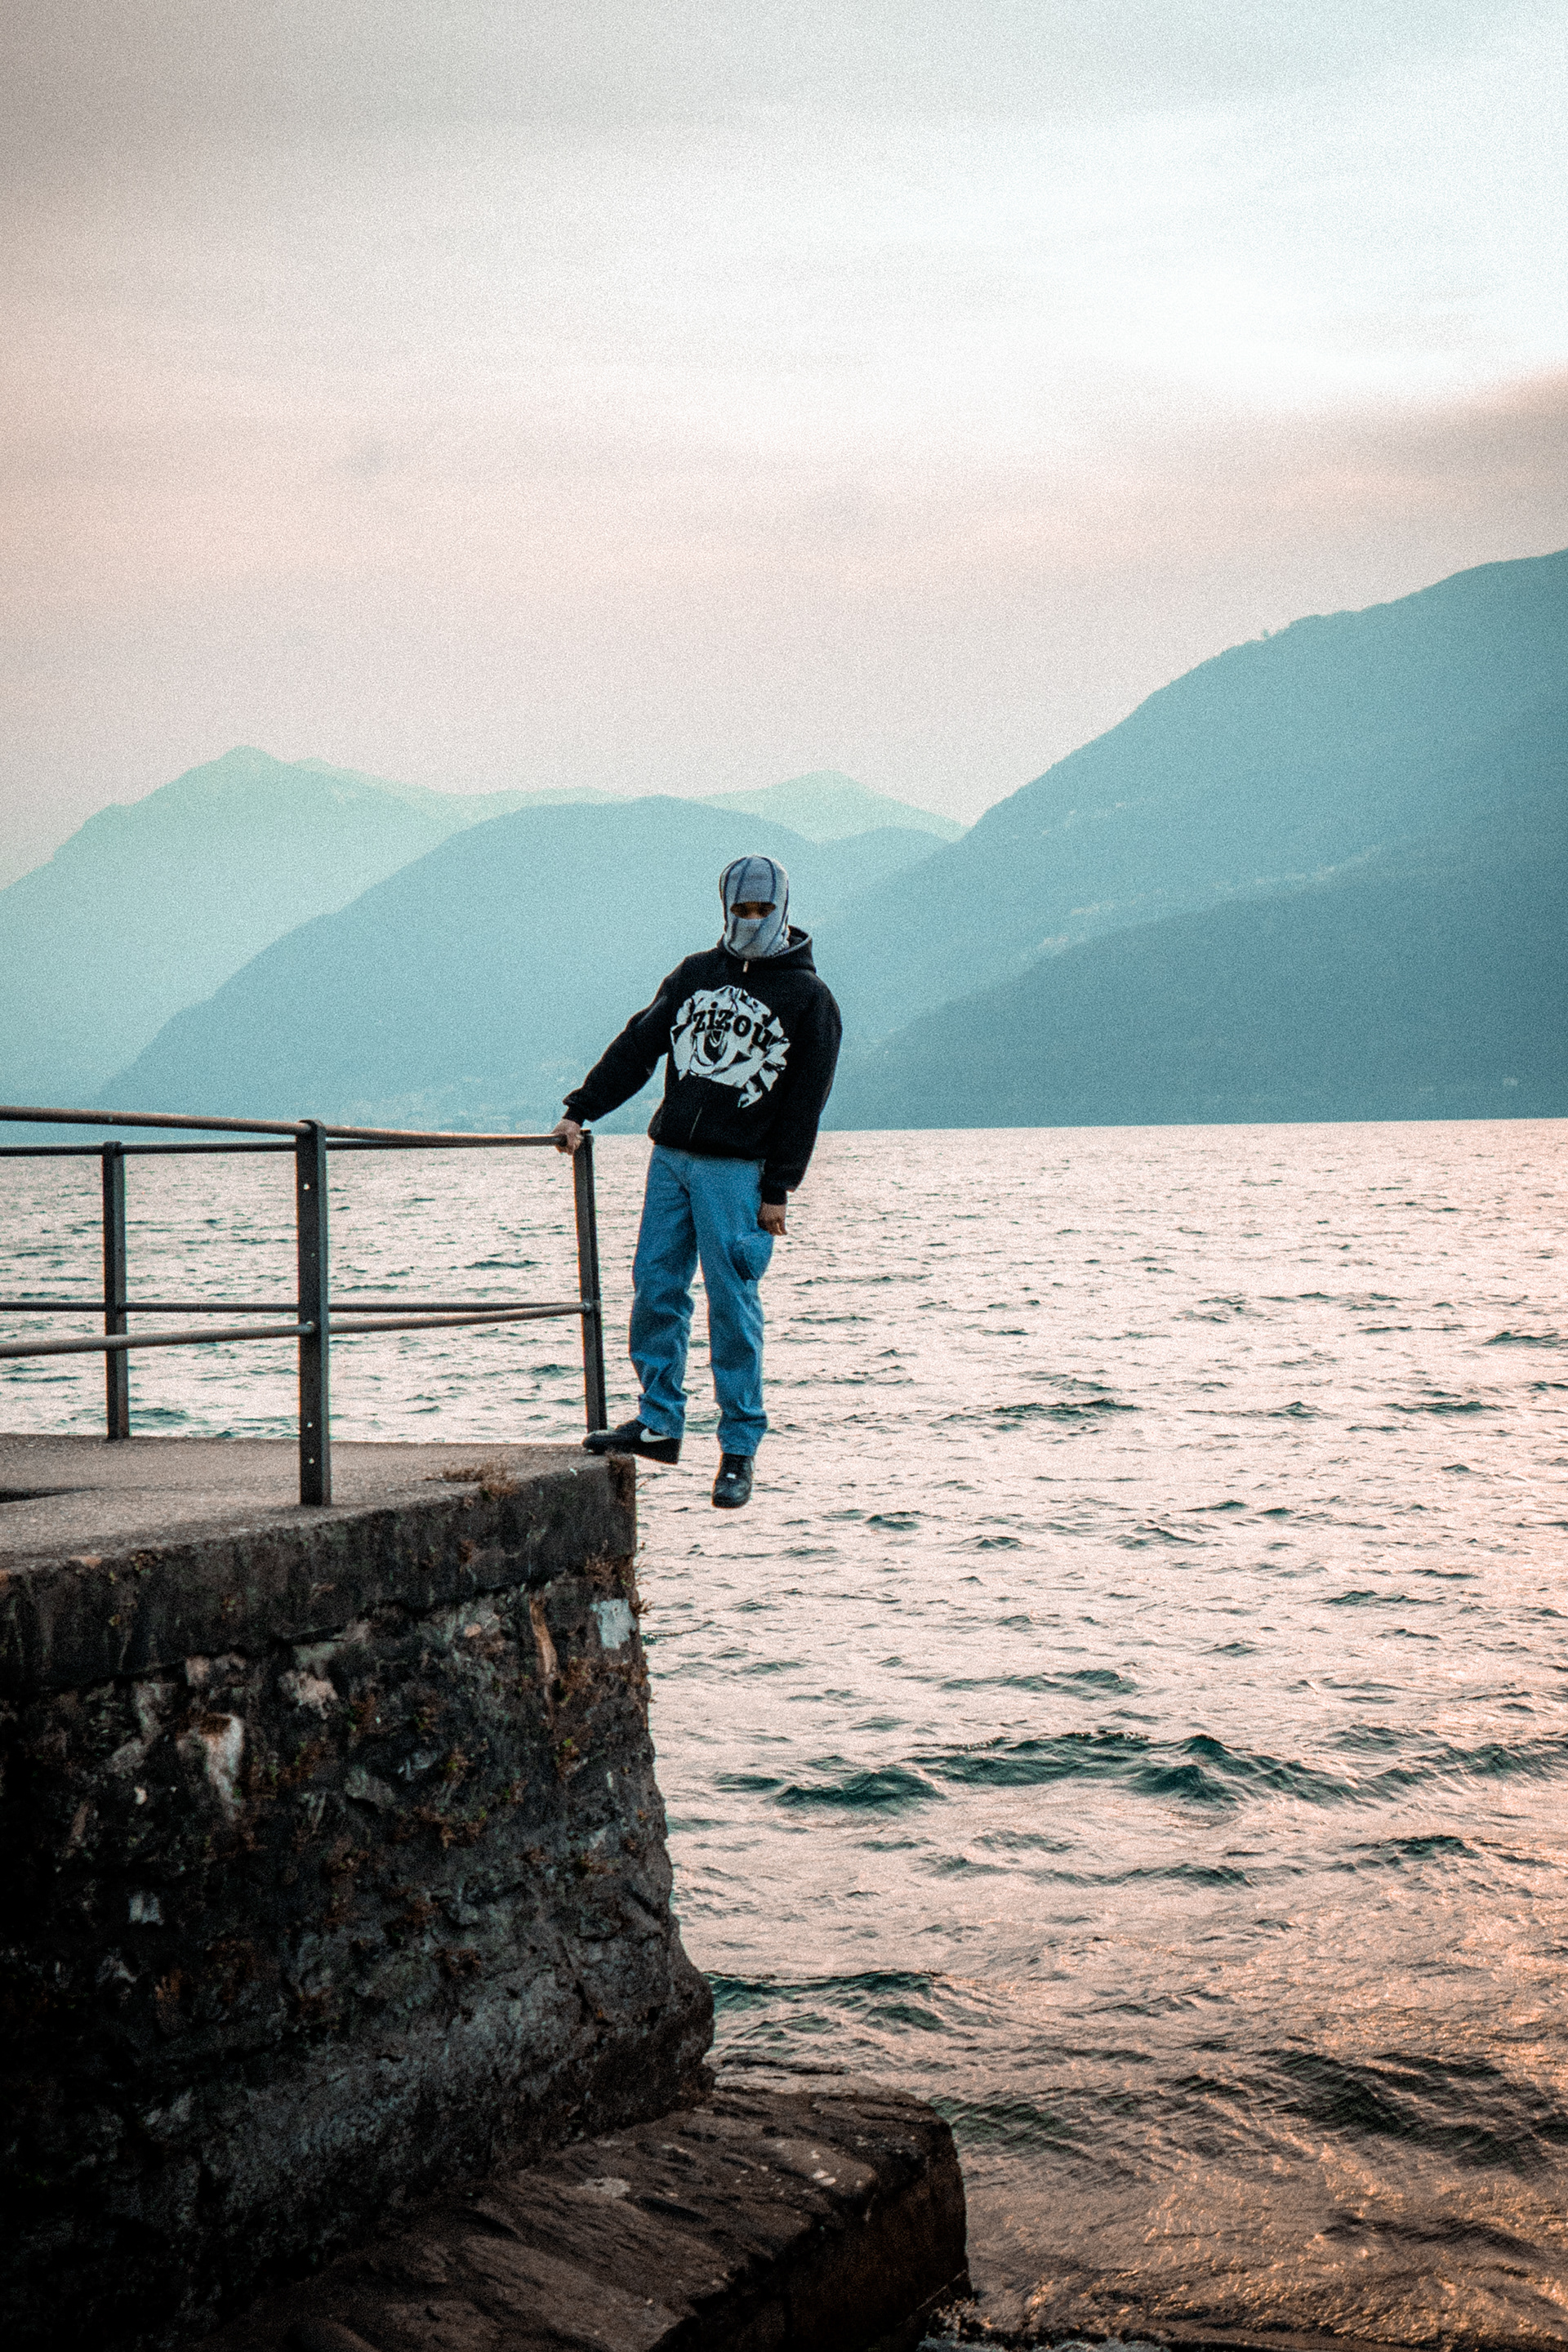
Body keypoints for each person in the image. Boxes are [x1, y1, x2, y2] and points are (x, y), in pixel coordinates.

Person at [550, 853, 841, 1510]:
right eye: (741, 909)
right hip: (671, 1162)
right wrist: (581, 1108)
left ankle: (738, 1449)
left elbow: (806, 1103)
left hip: (739, 1174)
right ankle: (659, 1422)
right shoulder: (694, 974)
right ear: (725, 908)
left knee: (732, 1306)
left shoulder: (810, 999)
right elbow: (639, 1045)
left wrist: (779, 1189)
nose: (751, 919)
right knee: (656, 1287)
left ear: (784, 910)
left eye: (763, 909)